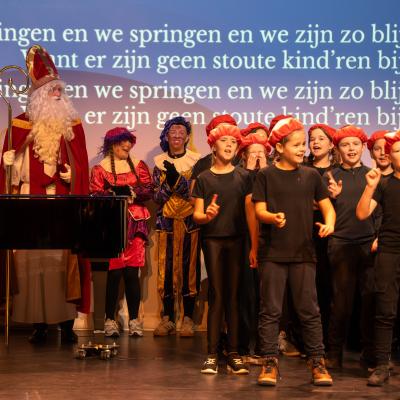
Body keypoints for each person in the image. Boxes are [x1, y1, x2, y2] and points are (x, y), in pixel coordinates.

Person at [0, 44, 90, 343]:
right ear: (39, 95)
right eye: (52, 90)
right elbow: (11, 173)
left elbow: (81, 164)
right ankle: (38, 323)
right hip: (29, 201)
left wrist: (73, 175)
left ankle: (65, 323)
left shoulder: (72, 126)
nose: (58, 93)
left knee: (60, 264)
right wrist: (9, 163)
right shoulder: (19, 124)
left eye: (60, 89)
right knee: (33, 264)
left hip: (60, 202)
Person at [252, 116, 335, 386]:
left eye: (303, 144)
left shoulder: (311, 175)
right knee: (270, 311)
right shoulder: (266, 175)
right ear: (279, 147)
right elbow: (259, 210)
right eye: (297, 145)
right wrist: (272, 217)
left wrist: (330, 223)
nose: (302, 149)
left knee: (309, 310)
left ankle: (317, 362)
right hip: (273, 253)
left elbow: (327, 207)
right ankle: (269, 362)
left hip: (303, 253)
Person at [192, 123, 257, 375]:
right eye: (224, 141)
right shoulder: (203, 178)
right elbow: (197, 215)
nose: (229, 145)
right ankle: (211, 354)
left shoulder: (244, 177)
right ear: (213, 146)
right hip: (213, 241)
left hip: (238, 241)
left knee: (234, 296)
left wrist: (254, 246)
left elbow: (250, 213)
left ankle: (233, 353)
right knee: (217, 294)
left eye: (233, 141)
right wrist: (207, 215)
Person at [90, 127, 153, 337]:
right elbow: (95, 193)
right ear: (112, 145)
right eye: (122, 142)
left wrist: (132, 192)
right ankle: (110, 320)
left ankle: (134, 320)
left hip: (135, 224)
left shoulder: (138, 165)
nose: (127, 145)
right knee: (114, 274)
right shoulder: (100, 169)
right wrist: (112, 193)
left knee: (132, 274)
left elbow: (149, 189)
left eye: (128, 142)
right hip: (113, 225)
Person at [325, 125, 375, 369]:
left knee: (369, 301)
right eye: (345, 145)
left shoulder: (372, 175)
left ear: (363, 147)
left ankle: (370, 354)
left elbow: (380, 209)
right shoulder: (330, 176)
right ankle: (334, 354)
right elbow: (321, 208)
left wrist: (377, 236)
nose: (351, 149)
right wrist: (332, 197)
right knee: (341, 303)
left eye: (355, 144)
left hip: (368, 244)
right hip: (341, 243)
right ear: (337, 149)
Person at [356, 131, 400, 386]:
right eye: (397, 151)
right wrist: (370, 187)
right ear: (390, 156)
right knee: (385, 309)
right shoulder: (383, 184)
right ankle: (382, 365)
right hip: (390, 251)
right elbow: (362, 213)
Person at [153, 116, 201, 337]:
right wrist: (170, 181)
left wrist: (176, 180)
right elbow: (157, 198)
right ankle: (168, 318)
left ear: (187, 137)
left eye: (182, 132)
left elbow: (194, 194)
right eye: (173, 131)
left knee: (189, 270)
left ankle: (188, 318)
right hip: (167, 223)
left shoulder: (196, 162)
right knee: (166, 271)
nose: (177, 135)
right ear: (166, 136)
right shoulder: (158, 163)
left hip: (190, 223)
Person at [237, 123, 270, 364]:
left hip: (269, 240)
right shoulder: (239, 175)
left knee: (265, 295)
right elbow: (239, 201)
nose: (257, 156)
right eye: (252, 152)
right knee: (245, 294)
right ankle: (242, 345)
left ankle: (263, 345)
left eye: (261, 152)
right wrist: (249, 173)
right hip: (243, 239)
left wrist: (264, 170)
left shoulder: (274, 175)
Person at [306, 124, 337, 346]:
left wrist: (335, 198)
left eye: (321, 138)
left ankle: (325, 339)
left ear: (331, 144)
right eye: (312, 139)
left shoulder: (337, 172)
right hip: (304, 233)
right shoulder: (302, 169)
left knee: (327, 287)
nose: (315, 142)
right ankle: (303, 339)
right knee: (306, 289)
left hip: (330, 236)